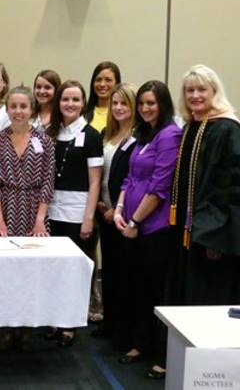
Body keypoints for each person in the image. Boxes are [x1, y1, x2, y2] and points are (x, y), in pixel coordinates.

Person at [114, 80, 181, 379]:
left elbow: (159, 187)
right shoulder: (142, 134)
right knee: (138, 287)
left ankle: (163, 355)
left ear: (163, 104)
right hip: (130, 224)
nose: (145, 108)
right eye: (141, 103)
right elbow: (129, 179)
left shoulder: (169, 135)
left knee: (157, 292)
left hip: (153, 228)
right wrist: (118, 210)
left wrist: (135, 221)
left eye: (151, 103)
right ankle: (140, 343)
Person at [168, 65, 240, 341]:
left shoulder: (226, 129)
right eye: (190, 90)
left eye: (202, 90)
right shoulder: (193, 126)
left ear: (214, 92)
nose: (195, 95)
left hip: (211, 235)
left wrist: (213, 237)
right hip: (189, 231)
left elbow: (228, 188)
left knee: (209, 297)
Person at [0, 85, 55, 350]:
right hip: (4, 209)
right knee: (4, 271)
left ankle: (26, 326)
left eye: (23, 106)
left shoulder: (44, 142)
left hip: (34, 210)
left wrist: (40, 220)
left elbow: (48, 182)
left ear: (31, 109)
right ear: (7, 109)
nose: (18, 111)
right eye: (13, 106)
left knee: (30, 271)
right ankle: (5, 325)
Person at [46, 80, 103, 347]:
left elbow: (94, 181)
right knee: (55, 268)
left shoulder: (92, 136)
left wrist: (89, 217)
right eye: (65, 99)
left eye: (75, 100)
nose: (70, 104)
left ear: (83, 103)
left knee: (75, 271)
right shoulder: (52, 133)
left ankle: (70, 325)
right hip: (53, 210)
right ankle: (56, 320)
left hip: (79, 212)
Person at [93, 83, 137, 348]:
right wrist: (100, 204)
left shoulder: (138, 139)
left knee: (125, 275)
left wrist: (115, 210)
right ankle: (109, 323)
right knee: (108, 271)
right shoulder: (105, 135)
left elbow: (132, 181)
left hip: (124, 217)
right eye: (115, 103)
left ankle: (124, 328)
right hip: (104, 212)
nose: (119, 108)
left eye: (125, 103)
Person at [83, 61, 121, 133]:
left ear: (117, 83)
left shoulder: (122, 113)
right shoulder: (83, 114)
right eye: (98, 80)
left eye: (108, 80)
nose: (102, 84)